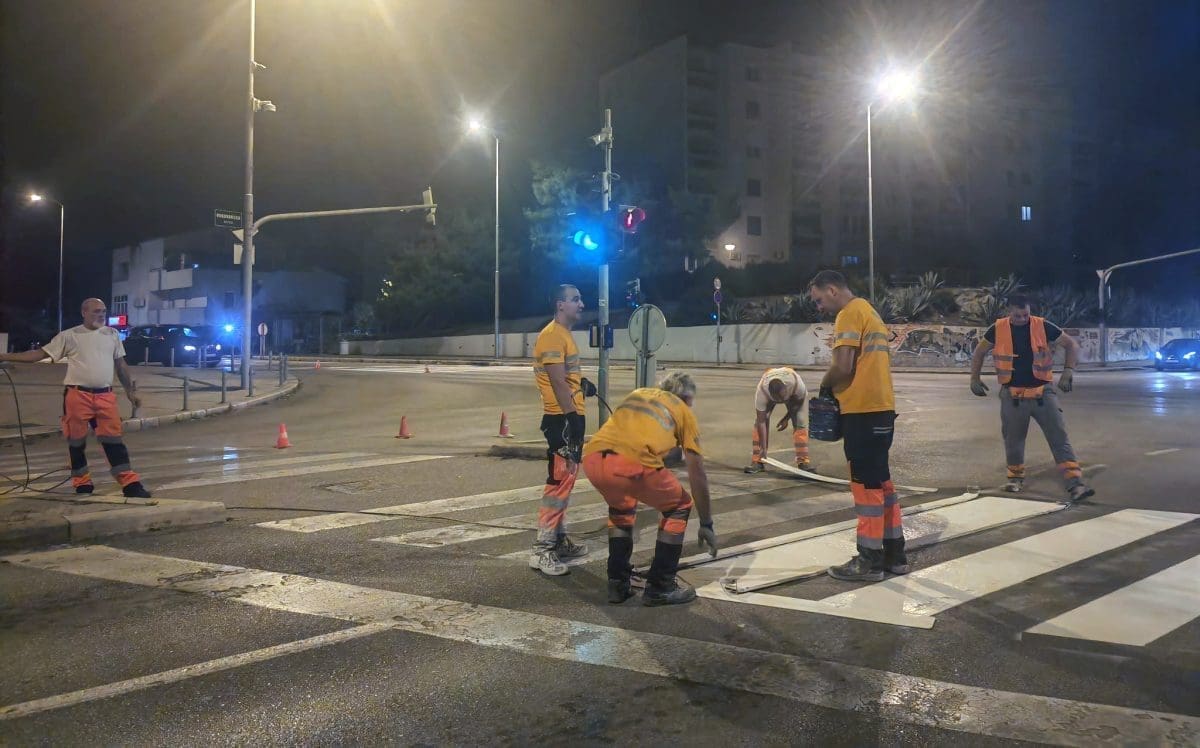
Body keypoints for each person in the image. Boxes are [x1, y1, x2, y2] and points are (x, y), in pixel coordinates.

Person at [582, 372, 717, 606]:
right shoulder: (683, 411)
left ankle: (617, 583)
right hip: (632, 463)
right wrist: (706, 524)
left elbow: (643, 438)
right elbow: (697, 475)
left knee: (621, 509)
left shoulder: (639, 394)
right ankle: (661, 586)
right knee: (679, 506)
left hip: (594, 458)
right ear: (686, 398)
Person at [0, 298, 151, 498]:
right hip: (77, 396)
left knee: (114, 441)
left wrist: (130, 392)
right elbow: (38, 354)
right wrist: (4, 356)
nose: (101, 315)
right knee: (76, 442)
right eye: (96, 311)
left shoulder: (112, 335)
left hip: (105, 396)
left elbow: (120, 365)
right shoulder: (69, 336)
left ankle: (130, 484)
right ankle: (82, 483)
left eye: (104, 311)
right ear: (84, 312)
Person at [808, 270, 905, 582]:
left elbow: (843, 365)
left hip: (862, 412)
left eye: (819, 299)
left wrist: (824, 387)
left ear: (833, 290)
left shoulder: (849, 314)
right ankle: (894, 554)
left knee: (866, 488)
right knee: (882, 484)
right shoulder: (868, 311)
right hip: (881, 412)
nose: (819, 306)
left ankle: (869, 560)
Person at [969, 294, 1094, 501]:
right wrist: (974, 378)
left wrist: (1068, 371)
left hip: (1043, 394)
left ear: (1030, 311)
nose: (1022, 319)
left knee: (1059, 439)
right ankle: (1015, 479)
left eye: (1025, 314)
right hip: (1012, 395)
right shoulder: (998, 328)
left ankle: (1075, 485)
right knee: (1014, 440)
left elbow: (1071, 345)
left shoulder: (1042, 326)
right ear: (1009, 312)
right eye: (1017, 316)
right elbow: (979, 352)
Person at [529, 284, 590, 576]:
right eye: (575, 299)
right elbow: (556, 381)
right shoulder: (553, 335)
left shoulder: (562, 335)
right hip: (561, 421)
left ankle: (559, 540)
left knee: (564, 483)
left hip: (566, 417)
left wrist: (581, 385)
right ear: (559, 304)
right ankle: (542, 551)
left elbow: (565, 377)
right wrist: (572, 417)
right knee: (558, 485)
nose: (581, 303)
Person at [743, 366, 813, 474]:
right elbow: (762, 422)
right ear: (771, 395)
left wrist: (786, 419)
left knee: (800, 422)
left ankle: (803, 461)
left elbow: (797, 405)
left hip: (790, 384)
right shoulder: (762, 392)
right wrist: (763, 449)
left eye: (783, 398)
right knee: (758, 424)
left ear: (786, 388)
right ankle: (757, 461)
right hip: (770, 385)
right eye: (778, 399)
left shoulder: (797, 385)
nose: (781, 401)